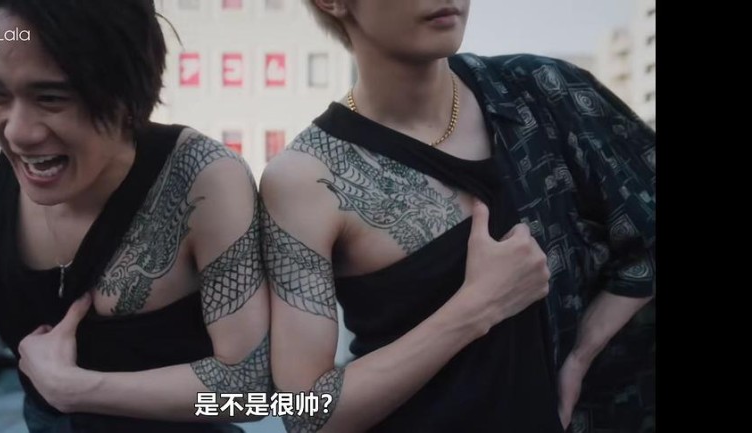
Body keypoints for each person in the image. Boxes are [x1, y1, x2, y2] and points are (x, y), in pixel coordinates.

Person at [260, 1, 655, 432]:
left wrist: (581, 353)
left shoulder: (540, 93)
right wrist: (476, 308)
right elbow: (305, 412)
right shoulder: (307, 178)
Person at [0, 1, 271, 432]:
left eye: (52, 99)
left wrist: (78, 389)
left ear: (128, 91)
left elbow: (250, 388)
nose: (18, 131)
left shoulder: (200, 178)